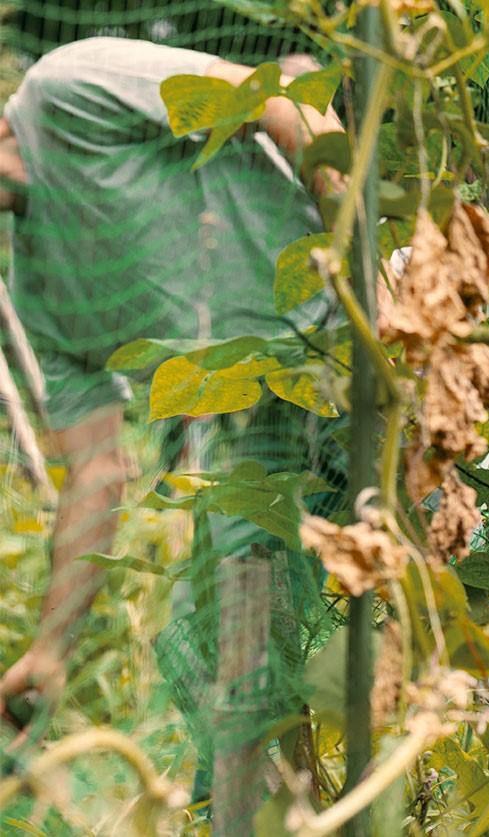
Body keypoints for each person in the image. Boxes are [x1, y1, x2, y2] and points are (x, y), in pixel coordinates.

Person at [0, 36, 344, 748]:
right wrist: (51, 650)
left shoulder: (67, 89)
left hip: (346, 332)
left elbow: (274, 98)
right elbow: (96, 475)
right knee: (226, 662)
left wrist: (364, 268)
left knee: (437, 595)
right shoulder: (39, 296)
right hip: (255, 438)